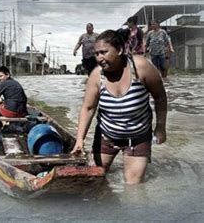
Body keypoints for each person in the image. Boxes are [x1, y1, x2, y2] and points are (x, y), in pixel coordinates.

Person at [71, 29, 168, 185]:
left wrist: (161, 127)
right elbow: (88, 108)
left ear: (120, 50)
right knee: (96, 183)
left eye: (104, 52)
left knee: (134, 188)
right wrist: (79, 140)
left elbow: (160, 97)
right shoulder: (97, 76)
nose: (99, 58)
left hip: (138, 138)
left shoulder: (140, 67)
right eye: (96, 54)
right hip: (106, 137)